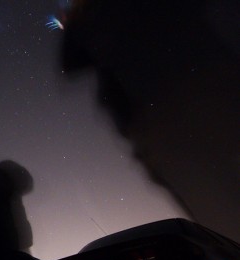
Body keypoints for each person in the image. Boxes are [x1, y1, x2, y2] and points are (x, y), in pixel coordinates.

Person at [60, 0, 240, 242]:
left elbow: (71, 60)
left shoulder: (95, 15)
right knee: (211, 199)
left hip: (166, 103)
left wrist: (77, 20)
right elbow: (72, 61)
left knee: (208, 197)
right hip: (195, 88)